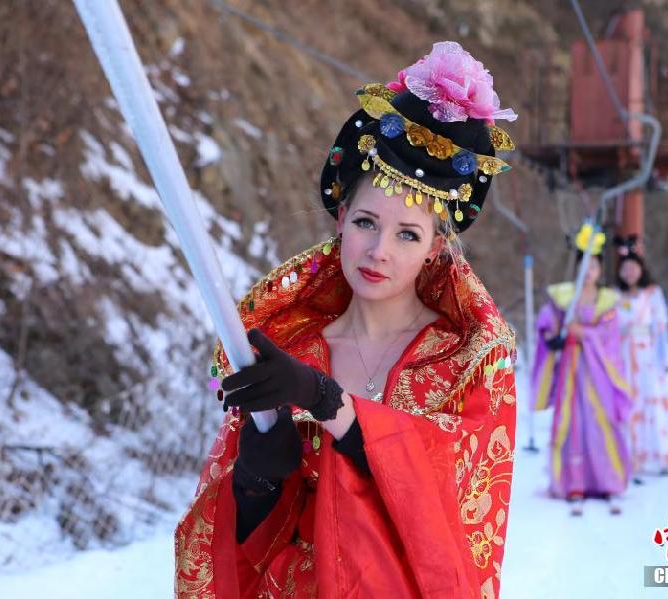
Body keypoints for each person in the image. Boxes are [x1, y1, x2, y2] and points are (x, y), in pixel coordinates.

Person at [175, 42, 519, 598]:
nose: (378, 249)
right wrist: (260, 476)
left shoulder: (467, 362)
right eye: (365, 222)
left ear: (437, 247)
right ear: (340, 221)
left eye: (407, 233)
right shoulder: (295, 346)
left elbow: (454, 526)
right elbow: (230, 545)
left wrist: (329, 403)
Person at [532, 224, 631, 516]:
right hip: (571, 369)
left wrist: (584, 333)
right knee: (573, 421)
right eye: (584, 265)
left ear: (600, 270)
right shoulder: (563, 297)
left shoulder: (608, 301)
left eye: (595, 266)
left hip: (599, 371)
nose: (589, 271)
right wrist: (556, 334)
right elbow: (547, 325)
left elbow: (611, 337)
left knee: (601, 420)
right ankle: (572, 481)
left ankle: (608, 480)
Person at [614, 235, 668, 478]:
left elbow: (660, 329)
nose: (630, 272)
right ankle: (630, 455)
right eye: (625, 268)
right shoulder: (614, 296)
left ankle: (657, 453)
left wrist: (664, 359)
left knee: (651, 399)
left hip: (647, 354)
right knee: (628, 401)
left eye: (634, 268)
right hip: (623, 354)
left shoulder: (652, 294)